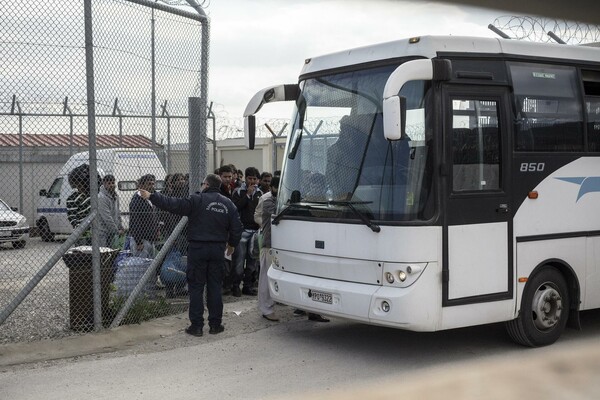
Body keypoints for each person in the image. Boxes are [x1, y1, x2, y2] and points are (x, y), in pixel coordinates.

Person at [139, 174, 243, 337]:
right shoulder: (228, 204)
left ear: (206, 185)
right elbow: (237, 227)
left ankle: (197, 326)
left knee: (196, 287)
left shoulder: (197, 200)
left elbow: (173, 204)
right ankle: (215, 325)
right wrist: (231, 245)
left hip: (198, 248)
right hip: (217, 249)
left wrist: (152, 196)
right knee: (215, 286)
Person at [231, 166, 262, 296]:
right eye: (250, 178)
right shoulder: (238, 192)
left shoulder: (260, 194)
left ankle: (248, 286)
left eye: (255, 179)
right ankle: (236, 286)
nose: (252, 182)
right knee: (239, 260)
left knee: (252, 261)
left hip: (255, 231)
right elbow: (236, 207)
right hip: (242, 231)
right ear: (246, 179)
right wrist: (248, 194)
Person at [258, 176, 279, 321]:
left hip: (281, 246)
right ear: (272, 187)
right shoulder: (268, 201)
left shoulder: (281, 199)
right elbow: (280, 213)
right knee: (266, 277)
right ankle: (266, 309)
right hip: (269, 244)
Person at [129, 174, 159, 258]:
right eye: (149, 184)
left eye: (153, 184)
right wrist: (138, 242)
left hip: (150, 239)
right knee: (141, 266)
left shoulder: (150, 198)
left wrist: (156, 229)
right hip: (142, 240)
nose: (152, 186)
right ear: (142, 185)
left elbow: (154, 216)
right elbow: (134, 222)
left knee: (150, 265)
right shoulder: (136, 200)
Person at [66, 164, 94, 245]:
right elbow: (72, 217)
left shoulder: (91, 195)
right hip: (82, 233)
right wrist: (80, 228)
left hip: (94, 230)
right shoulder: (72, 198)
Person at [97, 174, 123, 248]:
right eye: (109, 183)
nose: (112, 185)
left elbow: (118, 212)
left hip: (111, 232)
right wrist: (117, 231)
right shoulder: (101, 197)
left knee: (111, 253)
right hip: (102, 232)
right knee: (103, 254)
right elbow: (107, 217)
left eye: (113, 183)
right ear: (104, 184)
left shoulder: (115, 196)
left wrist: (120, 226)